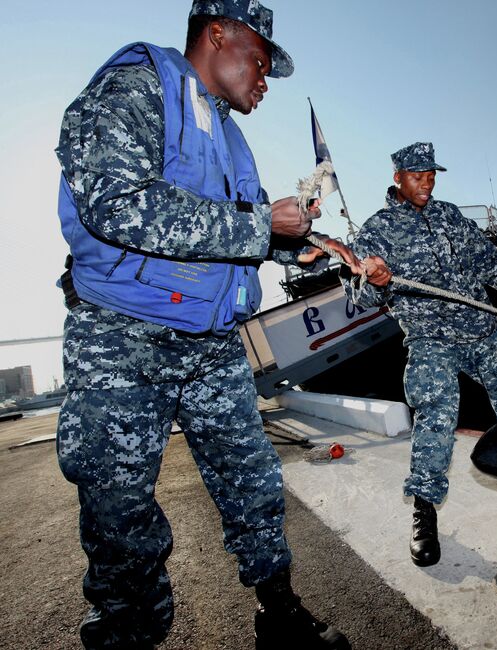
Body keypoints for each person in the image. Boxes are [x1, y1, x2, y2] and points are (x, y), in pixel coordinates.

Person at [55, 2, 363, 647]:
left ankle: (280, 616)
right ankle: (127, 630)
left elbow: (229, 232)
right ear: (216, 33)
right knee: (120, 506)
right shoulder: (139, 84)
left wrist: (299, 245)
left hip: (210, 339)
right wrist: (259, 226)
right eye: (258, 59)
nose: (264, 78)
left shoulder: (229, 136)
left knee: (252, 480)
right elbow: (115, 202)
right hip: (123, 335)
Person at [343, 142, 497, 567]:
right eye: (417, 175)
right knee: (436, 407)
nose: (426, 182)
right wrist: (378, 281)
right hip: (430, 337)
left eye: (431, 175)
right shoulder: (377, 231)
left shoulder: (451, 217)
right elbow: (360, 297)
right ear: (397, 178)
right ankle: (424, 508)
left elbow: (492, 264)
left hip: (481, 330)